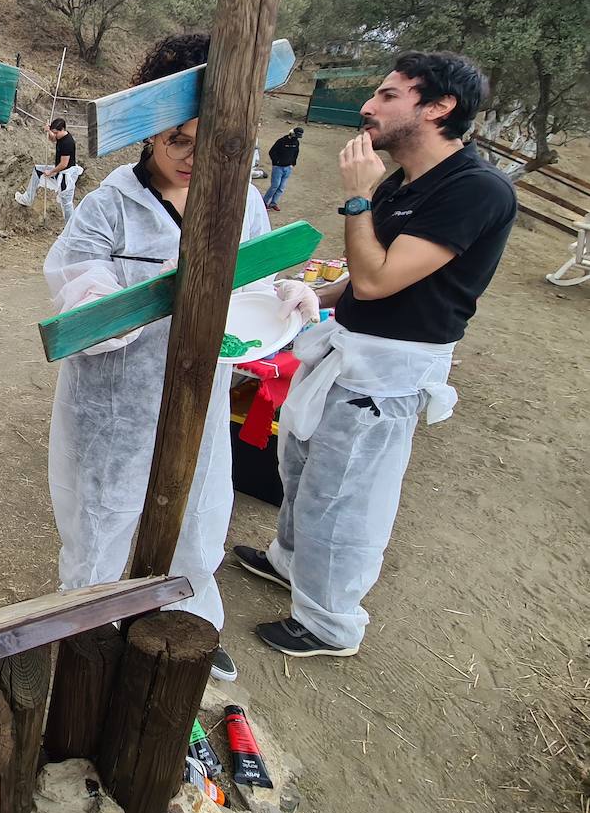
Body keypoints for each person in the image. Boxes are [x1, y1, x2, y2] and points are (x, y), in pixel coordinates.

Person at [43, 34, 318, 683]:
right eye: (177, 140)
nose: (196, 158)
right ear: (147, 135)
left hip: (202, 398)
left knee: (198, 521)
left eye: (214, 140)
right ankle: (89, 643)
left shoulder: (241, 201)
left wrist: (283, 294)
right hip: (116, 406)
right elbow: (76, 298)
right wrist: (149, 290)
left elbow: (249, 288)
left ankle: (189, 624)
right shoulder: (111, 204)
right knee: (101, 526)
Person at [236, 51, 515, 659]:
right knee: (301, 467)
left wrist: (358, 200)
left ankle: (329, 624)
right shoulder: (404, 181)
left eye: (390, 95)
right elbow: (358, 281)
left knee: (345, 499)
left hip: (385, 377)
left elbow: (380, 281)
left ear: (440, 108)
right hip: (347, 351)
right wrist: (314, 292)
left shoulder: (476, 190)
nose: (368, 105)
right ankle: (288, 563)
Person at [16, 116, 80, 220]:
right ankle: (27, 198)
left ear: (63, 129)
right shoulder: (60, 136)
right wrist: (48, 131)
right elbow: (52, 138)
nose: (54, 135)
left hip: (66, 174)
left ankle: (70, 228)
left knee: (66, 203)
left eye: (56, 133)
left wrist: (51, 171)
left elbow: (64, 164)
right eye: (53, 132)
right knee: (37, 170)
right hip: (59, 170)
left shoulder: (68, 142)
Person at [264, 125, 304, 210]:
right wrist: (276, 162)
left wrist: (293, 163)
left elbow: (296, 153)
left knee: (281, 187)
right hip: (278, 167)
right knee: (275, 186)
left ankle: (273, 203)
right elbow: (272, 152)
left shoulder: (296, 142)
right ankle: (264, 202)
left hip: (288, 168)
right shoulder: (281, 141)